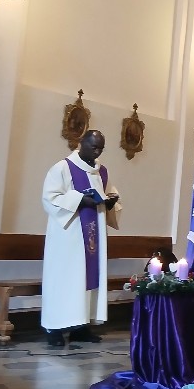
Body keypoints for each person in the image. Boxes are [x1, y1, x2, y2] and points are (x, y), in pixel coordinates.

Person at [41, 130, 121, 347]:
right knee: (63, 279)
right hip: (68, 237)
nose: (97, 152)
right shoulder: (62, 168)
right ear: (81, 143)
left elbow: (110, 194)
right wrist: (79, 200)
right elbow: (50, 198)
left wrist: (111, 202)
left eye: (101, 148)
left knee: (86, 279)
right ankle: (53, 327)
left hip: (93, 236)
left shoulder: (102, 172)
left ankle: (80, 327)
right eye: (93, 147)